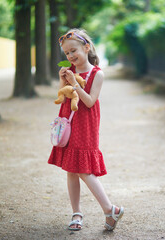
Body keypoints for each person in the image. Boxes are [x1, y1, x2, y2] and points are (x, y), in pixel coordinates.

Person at [48, 29, 124, 231]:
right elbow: (63, 97)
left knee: (83, 169)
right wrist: (63, 81)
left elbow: (90, 102)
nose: (71, 56)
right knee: (71, 170)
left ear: (86, 47)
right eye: (67, 53)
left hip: (85, 125)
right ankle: (76, 213)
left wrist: (75, 84)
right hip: (68, 122)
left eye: (74, 51)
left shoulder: (97, 73)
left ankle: (110, 209)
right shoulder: (70, 71)